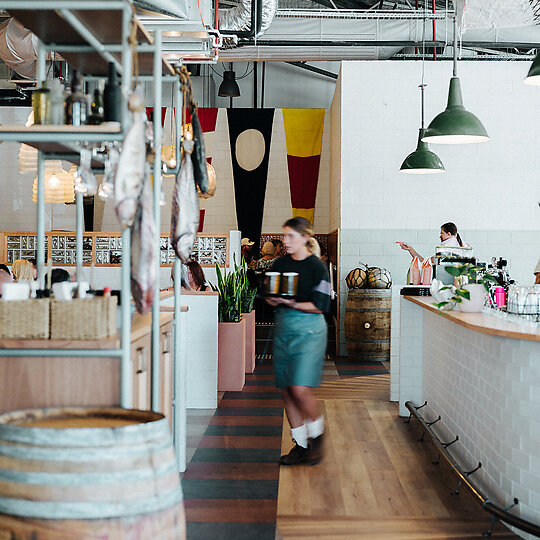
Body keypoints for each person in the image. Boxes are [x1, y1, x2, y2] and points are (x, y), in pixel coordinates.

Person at [266, 217, 331, 466]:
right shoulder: (279, 263)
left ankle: (317, 437)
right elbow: (270, 294)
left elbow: (320, 306)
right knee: (286, 390)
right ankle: (301, 446)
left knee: (300, 389)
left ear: (305, 237)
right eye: (284, 236)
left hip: (309, 332)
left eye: (291, 236)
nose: (286, 241)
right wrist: (273, 299)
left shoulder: (317, 268)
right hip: (285, 328)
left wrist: (290, 302)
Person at [397, 222, 469, 263]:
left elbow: (424, 262)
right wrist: (410, 249)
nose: (440, 236)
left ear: (449, 234)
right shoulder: (465, 246)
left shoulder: (446, 249)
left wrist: (411, 249)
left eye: (442, 233)